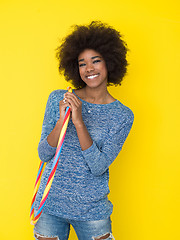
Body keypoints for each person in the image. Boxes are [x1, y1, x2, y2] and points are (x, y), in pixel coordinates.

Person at [33, 21, 134, 240]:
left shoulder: (123, 116)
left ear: (110, 62)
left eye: (96, 61)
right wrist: (62, 121)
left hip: (92, 213)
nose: (89, 69)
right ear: (75, 67)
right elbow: (44, 154)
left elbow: (98, 166)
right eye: (82, 63)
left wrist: (78, 122)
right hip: (50, 207)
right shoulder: (58, 98)